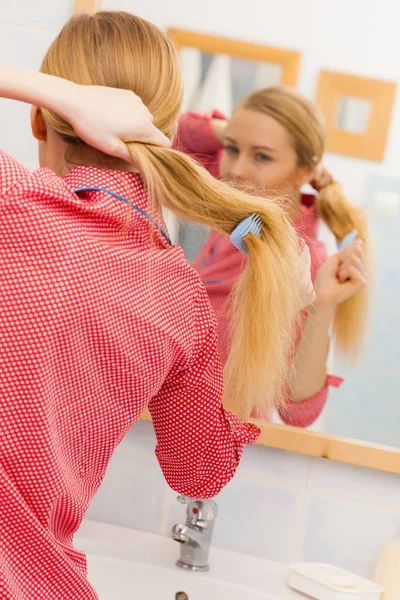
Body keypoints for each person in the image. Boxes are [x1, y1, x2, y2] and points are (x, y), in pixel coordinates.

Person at [0, 12, 313, 599]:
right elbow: (202, 472)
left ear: (40, 120)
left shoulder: (11, 202)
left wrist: (51, 89)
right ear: (166, 135)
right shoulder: (178, 295)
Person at [176, 86, 369, 427]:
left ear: (303, 172)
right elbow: (178, 134)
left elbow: (299, 413)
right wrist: (237, 130)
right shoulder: (238, 212)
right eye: (231, 149)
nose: (236, 169)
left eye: (262, 156)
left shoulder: (304, 260)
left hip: (210, 441)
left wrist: (319, 305)